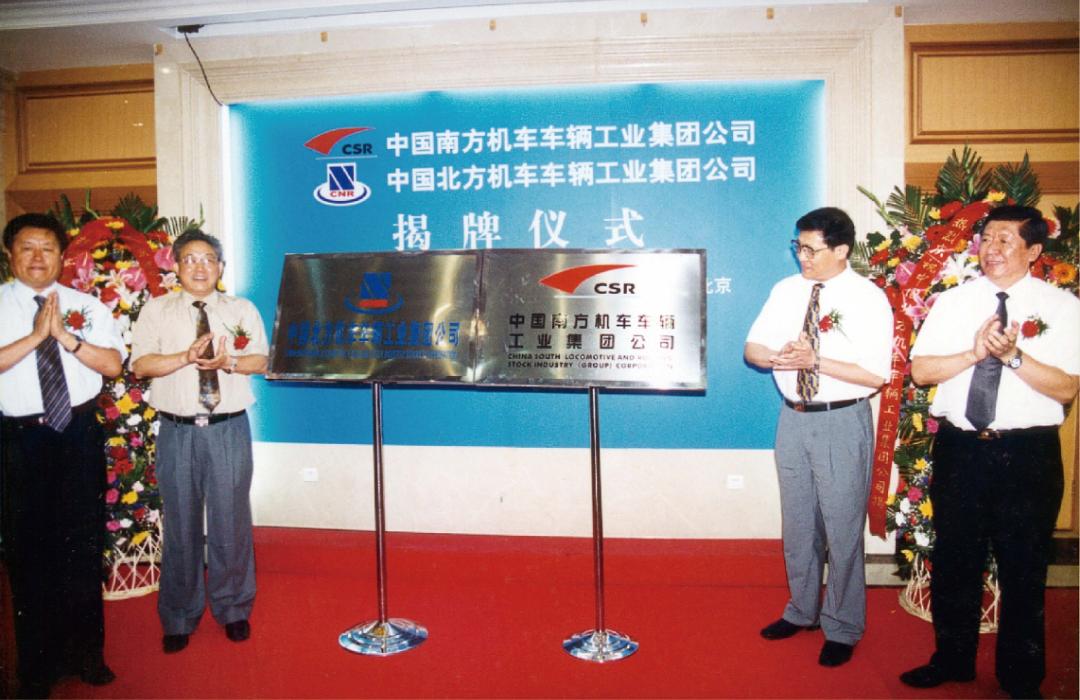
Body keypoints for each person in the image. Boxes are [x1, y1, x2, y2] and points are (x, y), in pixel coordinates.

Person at [900, 205, 1079, 699]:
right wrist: (975, 354)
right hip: (961, 450)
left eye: (1005, 240)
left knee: (1024, 569)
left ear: (1034, 250)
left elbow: (1066, 388)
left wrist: (1013, 357)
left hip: (1027, 455)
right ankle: (952, 660)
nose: (991, 249)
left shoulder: (1063, 307)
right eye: (987, 238)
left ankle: (1020, 678)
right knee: (955, 561)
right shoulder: (953, 302)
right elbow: (921, 371)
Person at [744, 206, 893, 668]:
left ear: (842, 250)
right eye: (799, 247)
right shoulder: (786, 290)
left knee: (842, 527)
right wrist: (778, 357)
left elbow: (875, 375)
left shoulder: (868, 298)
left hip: (841, 420)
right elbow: (752, 348)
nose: (802, 257)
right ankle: (802, 610)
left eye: (811, 249)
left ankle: (843, 626)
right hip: (793, 418)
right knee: (798, 523)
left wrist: (816, 361)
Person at [0, 213, 125, 697]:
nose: (37, 257)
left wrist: (65, 337)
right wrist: (36, 337)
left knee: (82, 546)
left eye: (47, 248)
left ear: (62, 255)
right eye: (27, 248)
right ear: (10, 254)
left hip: (76, 434)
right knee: (28, 553)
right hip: (20, 440)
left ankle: (86, 655)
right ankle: (38, 667)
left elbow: (112, 365)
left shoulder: (86, 305)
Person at [130, 229, 268, 654]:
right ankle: (179, 614)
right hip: (177, 431)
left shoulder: (241, 308)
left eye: (208, 258)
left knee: (231, 521)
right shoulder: (156, 310)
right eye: (189, 259)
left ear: (220, 267)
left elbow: (262, 359)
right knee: (181, 524)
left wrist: (228, 361)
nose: (200, 267)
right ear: (175, 266)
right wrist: (185, 358)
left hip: (228, 428)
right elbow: (141, 365)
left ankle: (233, 608)